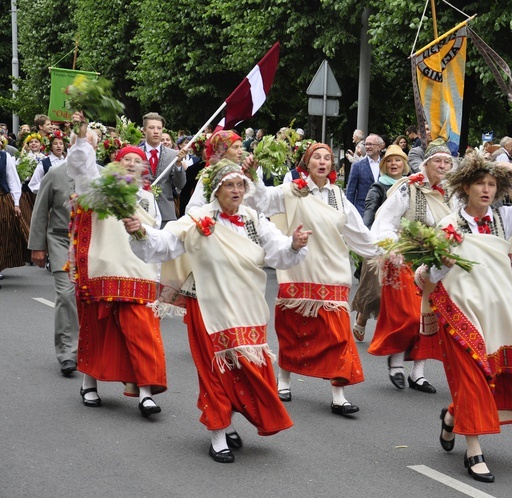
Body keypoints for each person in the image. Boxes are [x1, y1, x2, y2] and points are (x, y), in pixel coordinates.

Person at [126, 159, 309, 463]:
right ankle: (218, 433)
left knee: (250, 369)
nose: (236, 190)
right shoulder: (198, 219)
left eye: (240, 185)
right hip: (208, 306)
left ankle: (231, 420)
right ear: (216, 189)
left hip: (247, 306)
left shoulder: (254, 218)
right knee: (216, 371)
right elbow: (166, 242)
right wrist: (141, 232)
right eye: (229, 185)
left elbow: (278, 250)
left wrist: (294, 244)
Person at [416, 152, 512, 483]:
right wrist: (443, 264)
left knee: (487, 376)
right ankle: (474, 451)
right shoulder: (448, 225)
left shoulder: (504, 218)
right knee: (472, 378)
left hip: (496, 313)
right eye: (480, 183)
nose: (486, 190)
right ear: (466, 187)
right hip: (460, 311)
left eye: (492, 184)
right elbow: (434, 276)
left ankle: (452, 418)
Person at [252, 143, 379, 415]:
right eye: (316, 158)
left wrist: (386, 250)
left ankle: (338, 394)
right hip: (299, 267)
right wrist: (253, 176)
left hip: (333, 270)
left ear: (332, 166)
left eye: (327, 158)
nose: (322, 162)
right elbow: (261, 200)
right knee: (293, 329)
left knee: (337, 334)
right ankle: (284, 381)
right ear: (307, 163)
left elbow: (358, 232)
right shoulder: (292, 190)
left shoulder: (338, 196)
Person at [66, 113, 167, 416]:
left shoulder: (148, 199)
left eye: (138, 160)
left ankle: (146, 393)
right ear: (115, 163)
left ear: (144, 167)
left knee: (142, 332)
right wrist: (81, 137)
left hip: (138, 273)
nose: (132, 163)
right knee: (98, 330)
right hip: (104, 270)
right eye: (127, 159)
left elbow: (155, 235)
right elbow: (81, 168)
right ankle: (89, 382)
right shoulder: (99, 187)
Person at [368, 139, 453, 393]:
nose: (443, 166)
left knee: (429, 316)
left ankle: (418, 373)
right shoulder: (409, 188)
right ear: (425, 163)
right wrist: (392, 248)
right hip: (403, 257)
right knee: (408, 313)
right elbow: (385, 221)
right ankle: (395, 360)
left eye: (447, 161)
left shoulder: (450, 193)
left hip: (433, 261)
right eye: (437, 160)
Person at [28, 135, 79, 376]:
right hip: (61, 241)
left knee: (89, 299)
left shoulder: (102, 176)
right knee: (67, 294)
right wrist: (38, 246)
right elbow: (40, 211)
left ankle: (91, 351)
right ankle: (68, 353)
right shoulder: (56, 173)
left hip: (92, 245)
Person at [350, 145, 408, 340]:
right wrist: (365, 233)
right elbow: (369, 209)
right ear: (384, 165)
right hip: (379, 242)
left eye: (398, 160)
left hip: (404, 244)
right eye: (390, 161)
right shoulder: (379, 186)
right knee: (374, 291)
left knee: (400, 291)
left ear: (404, 164)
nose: (394, 164)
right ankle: (362, 318)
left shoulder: (410, 186)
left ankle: (392, 331)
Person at [185, 131, 255, 213]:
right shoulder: (210, 173)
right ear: (222, 151)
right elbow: (195, 206)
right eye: (235, 147)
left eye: (240, 147)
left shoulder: (242, 171)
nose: (240, 151)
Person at [140, 112, 188, 227]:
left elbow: (180, 184)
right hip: (142, 213)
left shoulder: (173, 155)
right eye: (151, 128)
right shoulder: (136, 154)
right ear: (144, 130)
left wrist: (178, 164)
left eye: (159, 128)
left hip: (166, 214)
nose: (156, 131)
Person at [0, 146, 27, 273]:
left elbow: (13, 180)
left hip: (2, 199)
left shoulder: (5, 157)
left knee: (3, 233)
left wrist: (16, 203)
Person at [346, 134, 384, 216]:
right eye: (366, 144)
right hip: (362, 211)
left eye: (371, 144)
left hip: (381, 211)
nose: (367, 147)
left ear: (379, 147)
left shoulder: (385, 165)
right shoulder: (357, 166)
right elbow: (350, 191)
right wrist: (350, 212)